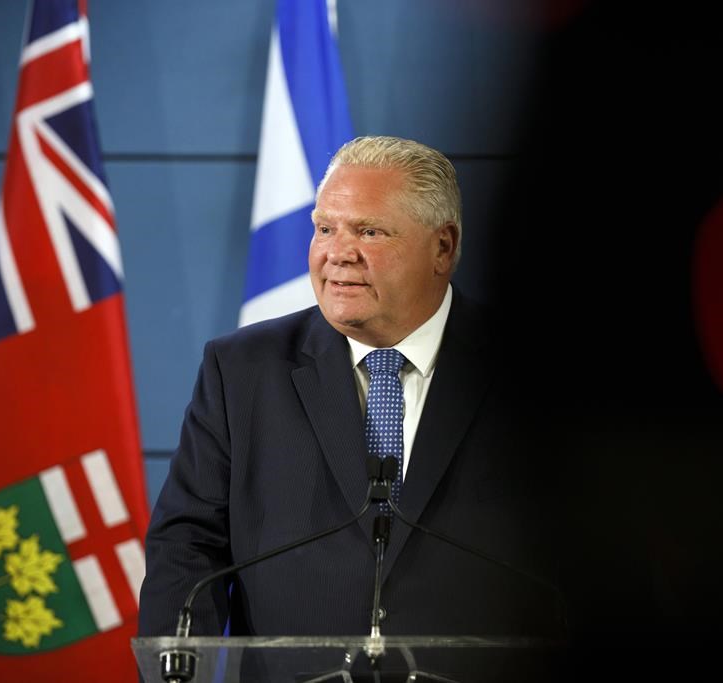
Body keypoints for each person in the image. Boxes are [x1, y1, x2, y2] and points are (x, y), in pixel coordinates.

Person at [137, 136, 563, 647]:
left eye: (369, 231)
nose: (338, 253)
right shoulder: (242, 370)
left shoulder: (534, 374)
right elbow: (186, 549)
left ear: (442, 248)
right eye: (325, 229)